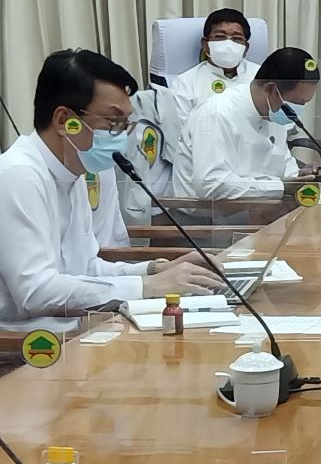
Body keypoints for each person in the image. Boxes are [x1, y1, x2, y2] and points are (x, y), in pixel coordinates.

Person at [0, 50, 222, 332]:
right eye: (113, 123)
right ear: (64, 120)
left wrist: (155, 269)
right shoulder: (19, 175)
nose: (123, 136)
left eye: (126, 124)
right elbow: (36, 293)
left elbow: (87, 268)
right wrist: (147, 286)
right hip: (28, 346)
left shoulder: (72, 172)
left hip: (78, 328)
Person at [174, 47, 321, 201]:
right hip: (208, 214)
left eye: (304, 103)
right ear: (270, 89)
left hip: (263, 209)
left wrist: (300, 176)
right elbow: (211, 185)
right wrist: (279, 187)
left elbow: (284, 170)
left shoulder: (273, 113)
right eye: (296, 103)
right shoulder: (217, 113)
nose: (297, 111)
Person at [163, 9, 261, 169]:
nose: (229, 44)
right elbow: (177, 140)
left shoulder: (262, 79)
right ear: (205, 44)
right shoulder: (185, 83)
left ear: (246, 47)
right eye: (220, 37)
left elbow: (278, 130)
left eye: (237, 38)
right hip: (203, 168)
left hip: (257, 165)